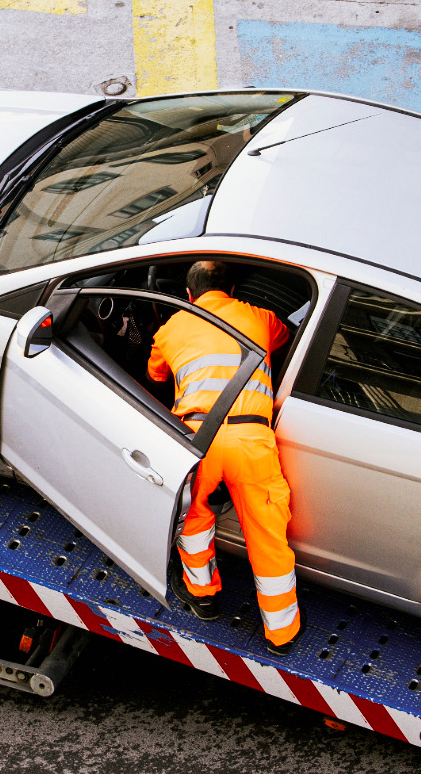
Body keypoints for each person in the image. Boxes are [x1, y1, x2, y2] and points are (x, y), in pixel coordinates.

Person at [147, 260, 301, 655]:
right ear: (232, 289)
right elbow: (284, 338)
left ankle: (204, 598)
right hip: (252, 439)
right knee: (267, 534)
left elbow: (155, 375)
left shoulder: (170, 328)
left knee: (193, 519)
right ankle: (281, 633)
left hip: (198, 440)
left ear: (188, 294)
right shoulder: (260, 317)